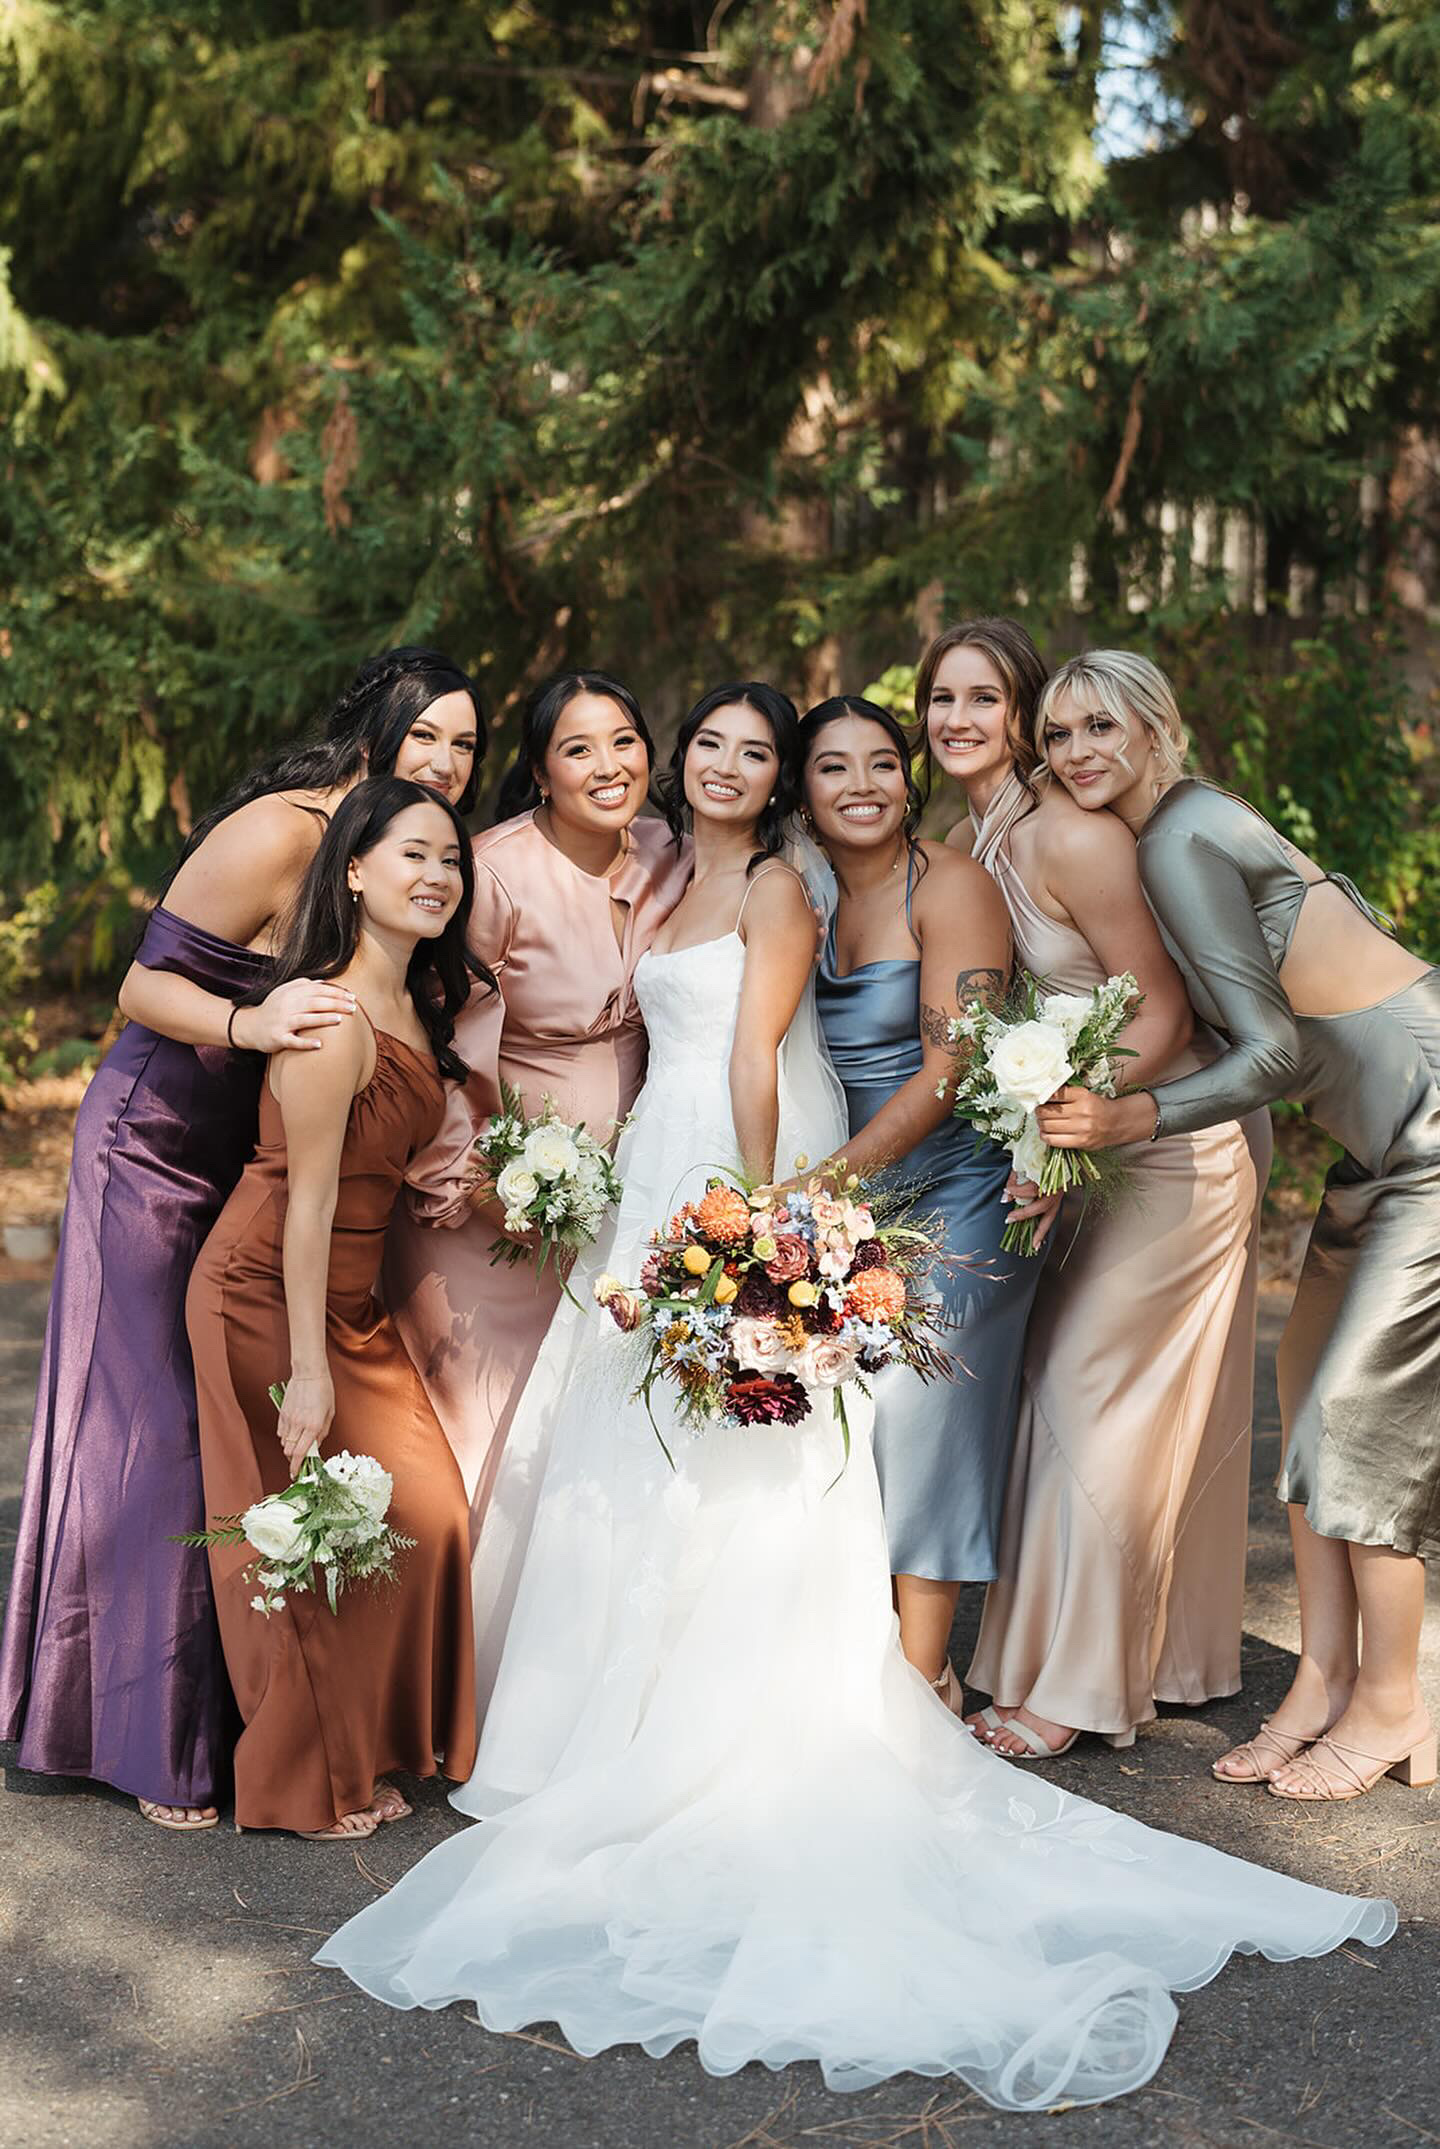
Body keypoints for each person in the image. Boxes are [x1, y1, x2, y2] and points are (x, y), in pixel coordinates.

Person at [315, 696, 1394, 2111]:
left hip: (753, 1159)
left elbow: (764, 1055)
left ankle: (799, 1690)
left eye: (764, 754)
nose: (733, 768)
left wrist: (760, 1210)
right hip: (668, 1155)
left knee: (756, 1444)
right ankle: (604, 1710)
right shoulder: (673, 872)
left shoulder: (781, 884)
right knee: (635, 1447)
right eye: (725, 747)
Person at [0, 648, 483, 1831]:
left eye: (466, 744)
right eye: (425, 734)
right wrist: (250, 1020)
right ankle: (142, 1741)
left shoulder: (407, 857)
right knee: (155, 1433)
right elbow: (140, 988)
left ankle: (255, 1725)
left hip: (252, 1154)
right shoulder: (284, 831)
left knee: (235, 1445)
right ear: (373, 731)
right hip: (157, 1143)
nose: (445, 761)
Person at [1035, 649, 1437, 1803]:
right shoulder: (1182, 830)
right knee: (1307, 1410)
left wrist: (1132, 1116)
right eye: (1058, 735)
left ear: (1155, 725)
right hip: (1380, 1151)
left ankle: (1395, 1703)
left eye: (1101, 725)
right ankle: (1323, 1682)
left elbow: (1267, 1053)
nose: (1079, 751)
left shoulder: (1180, 836)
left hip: (1431, 1135)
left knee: (1357, 1423)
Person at [919, 619, 1267, 1759]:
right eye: (942, 699)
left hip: (1168, 1147)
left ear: (1017, 714)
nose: (960, 720)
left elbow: (1159, 1010)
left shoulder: (1073, 835)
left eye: (986, 699)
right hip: (1088, 1142)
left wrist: (1062, 1134)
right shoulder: (970, 837)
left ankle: (1072, 1690)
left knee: (1087, 1395)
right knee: (1072, 1397)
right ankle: (1129, 1655)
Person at [186, 778, 482, 1840]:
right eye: (412, 853)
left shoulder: (418, 1003)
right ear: (353, 869)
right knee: (301, 1538)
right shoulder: (330, 1016)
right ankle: (305, 1781)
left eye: (450, 858)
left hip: (346, 1300)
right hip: (265, 1294)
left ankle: (375, 1740)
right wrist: (308, 1372)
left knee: (431, 1513)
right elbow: (308, 1205)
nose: (436, 875)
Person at [380, 674, 690, 1646]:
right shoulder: (495, 873)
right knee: (491, 1434)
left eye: (625, 740)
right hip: (497, 1201)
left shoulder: (670, 850)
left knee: (581, 1435)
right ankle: (455, 1678)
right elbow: (443, 1043)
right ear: (542, 771)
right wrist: (474, 1187)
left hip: (629, 1193)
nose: (609, 766)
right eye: (578, 749)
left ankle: (558, 1672)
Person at [799, 695, 1045, 1705]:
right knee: (831, 1401)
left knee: (920, 1393)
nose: (862, 785)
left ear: (909, 780)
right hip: (854, 1193)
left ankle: (922, 1674)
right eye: (833, 766)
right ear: (801, 792)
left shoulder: (951, 885)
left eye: (881, 763)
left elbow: (953, 1067)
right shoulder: (801, 891)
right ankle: (854, 1649)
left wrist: (825, 1182)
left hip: (960, 1186)